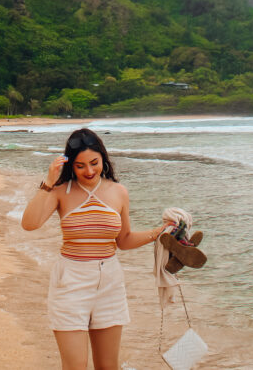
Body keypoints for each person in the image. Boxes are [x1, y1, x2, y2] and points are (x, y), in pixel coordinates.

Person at [21, 128, 166, 370]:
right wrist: (47, 183)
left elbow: (124, 240)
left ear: (103, 158)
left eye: (94, 163)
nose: (89, 171)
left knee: (108, 367)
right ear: (70, 165)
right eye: (80, 166)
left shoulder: (118, 192)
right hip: (71, 282)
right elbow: (30, 223)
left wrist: (159, 232)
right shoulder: (60, 191)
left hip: (109, 281)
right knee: (76, 366)